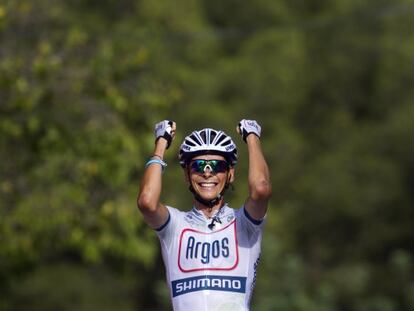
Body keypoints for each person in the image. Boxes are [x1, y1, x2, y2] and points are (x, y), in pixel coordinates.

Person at [137, 119, 271, 310]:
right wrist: (160, 144)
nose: (207, 174)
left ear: (230, 174)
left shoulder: (244, 223)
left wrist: (252, 136)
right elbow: (146, 202)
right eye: (198, 166)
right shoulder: (175, 225)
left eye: (217, 166)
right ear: (187, 175)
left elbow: (261, 189)